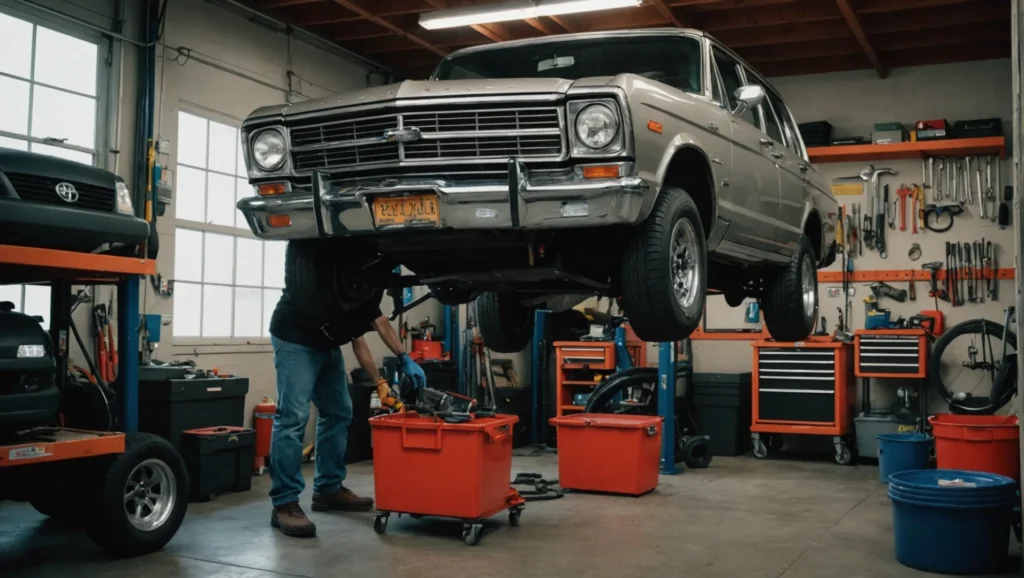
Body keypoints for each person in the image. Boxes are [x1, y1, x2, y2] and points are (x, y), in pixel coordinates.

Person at [267, 258, 426, 538]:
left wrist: (400, 360)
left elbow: (375, 325)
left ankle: (328, 490)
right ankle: (284, 503)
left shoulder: (364, 289)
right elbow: (361, 339)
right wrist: (384, 376)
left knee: (339, 411)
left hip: (326, 342)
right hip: (295, 337)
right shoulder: (335, 279)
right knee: (293, 417)